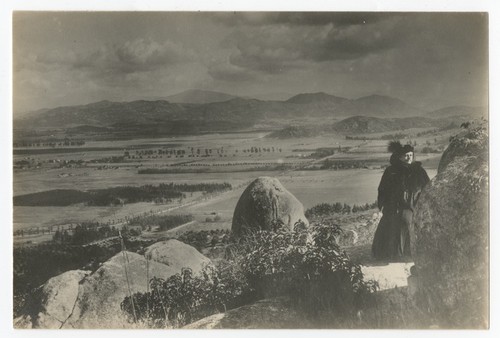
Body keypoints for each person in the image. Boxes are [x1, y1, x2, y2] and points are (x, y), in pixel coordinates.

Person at [372, 141, 430, 260]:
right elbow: (382, 189)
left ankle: (406, 253)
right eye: (406, 155)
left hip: (411, 206)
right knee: (390, 223)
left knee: (406, 221)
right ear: (400, 157)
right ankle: (388, 253)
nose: (409, 157)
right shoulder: (391, 171)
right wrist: (382, 205)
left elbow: (427, 188)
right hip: (392, 206)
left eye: (410, 155)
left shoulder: (419, 171)